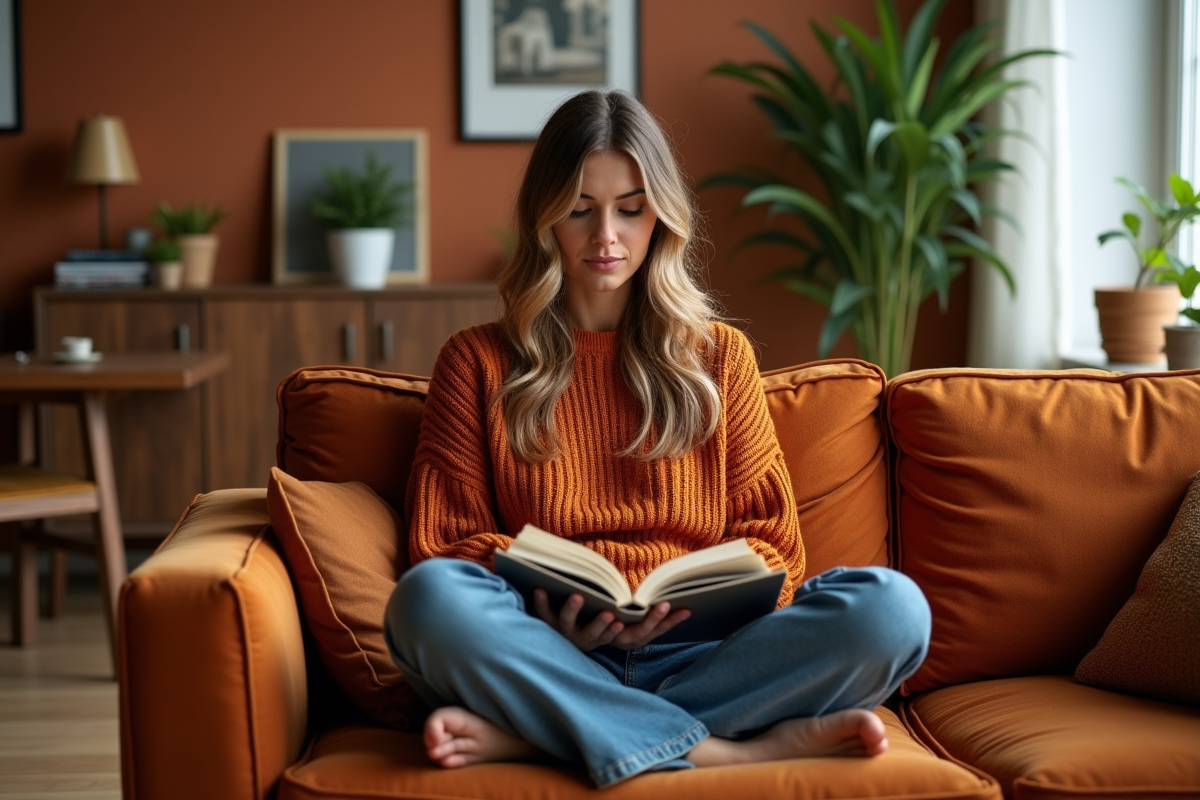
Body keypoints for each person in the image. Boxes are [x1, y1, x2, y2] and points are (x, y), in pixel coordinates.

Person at [383, 89, 931, 788]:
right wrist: (556, 612)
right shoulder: (478, 360)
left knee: (891, 611)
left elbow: (777, 547)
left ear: (660, 216)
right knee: (427, 602)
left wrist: (678, 603)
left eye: (629, 209)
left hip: (706, 652)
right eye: (580, 209)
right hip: (548, 651)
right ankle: (726, 749)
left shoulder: (720, 356)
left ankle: (546, 735)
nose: (605, 236)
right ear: (544, 218)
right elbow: (444, 543)